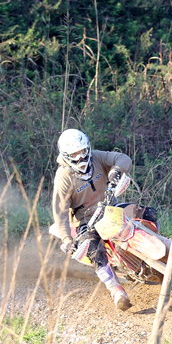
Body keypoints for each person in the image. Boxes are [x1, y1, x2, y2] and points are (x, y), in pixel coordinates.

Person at [50, 128, 133, 310]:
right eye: (74, 155)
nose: (80, 158)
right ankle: (115, 289)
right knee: (93, 248)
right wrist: (66, 238)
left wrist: (116, 171)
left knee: (146, 213)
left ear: (88, 148)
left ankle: (169, 253)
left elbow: (123, 158)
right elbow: (60, 211)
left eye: (82, 152)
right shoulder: (63, 177)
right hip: (87, 220)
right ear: (66, 155)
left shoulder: (96, 157)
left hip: (110, 207)